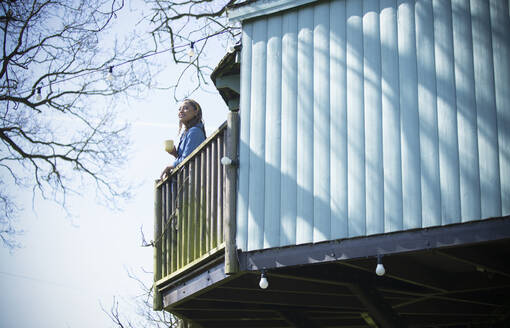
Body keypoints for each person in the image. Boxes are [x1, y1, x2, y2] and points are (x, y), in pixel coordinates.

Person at [161, 99, 206, 179]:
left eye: (185, 108)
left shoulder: (195, 132)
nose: (181, 111)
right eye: (179, 109)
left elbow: (188, 158)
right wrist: (175, 153)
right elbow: (186, 157)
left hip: (193, 179)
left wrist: (171, 166)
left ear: (196, 112)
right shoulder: (187, 133)